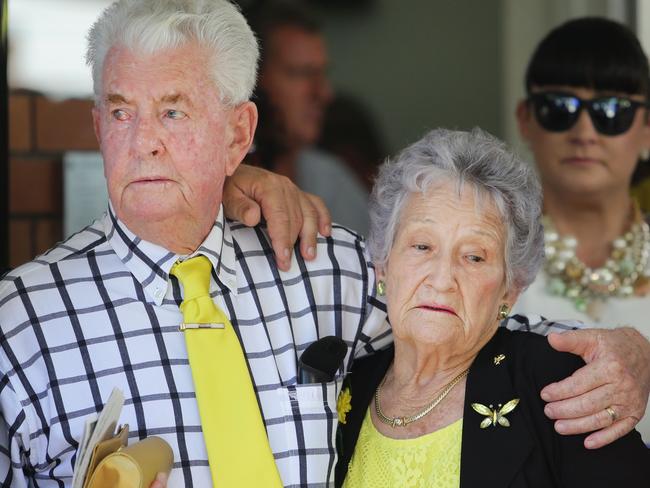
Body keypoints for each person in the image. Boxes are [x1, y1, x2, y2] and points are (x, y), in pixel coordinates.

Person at [0, 2, 648, 486]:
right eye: (120, 111)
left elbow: (466, 314)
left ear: (237, 132)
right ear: (96, 126)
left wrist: (625, 350)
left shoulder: (321, 263)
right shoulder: (16, 324)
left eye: (173, 110)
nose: (143, 140)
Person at [335, 128, 649, 487]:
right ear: (384, 265)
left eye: (473, 256)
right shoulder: (345, 386)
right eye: (422, 246)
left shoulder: (559, 384)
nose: (442, 279)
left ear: (510, 289)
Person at [512, 17, 650, 442]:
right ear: (526, 119)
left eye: (612, 111)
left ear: (647, 130)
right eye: (560, 108)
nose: (584, 132)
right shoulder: (485, 264)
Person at [245, 1, 371, 234]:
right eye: (303, 73)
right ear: (251, 80)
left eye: (322, 74)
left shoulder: (331, 180)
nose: (324, 93)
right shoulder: (215, 184)